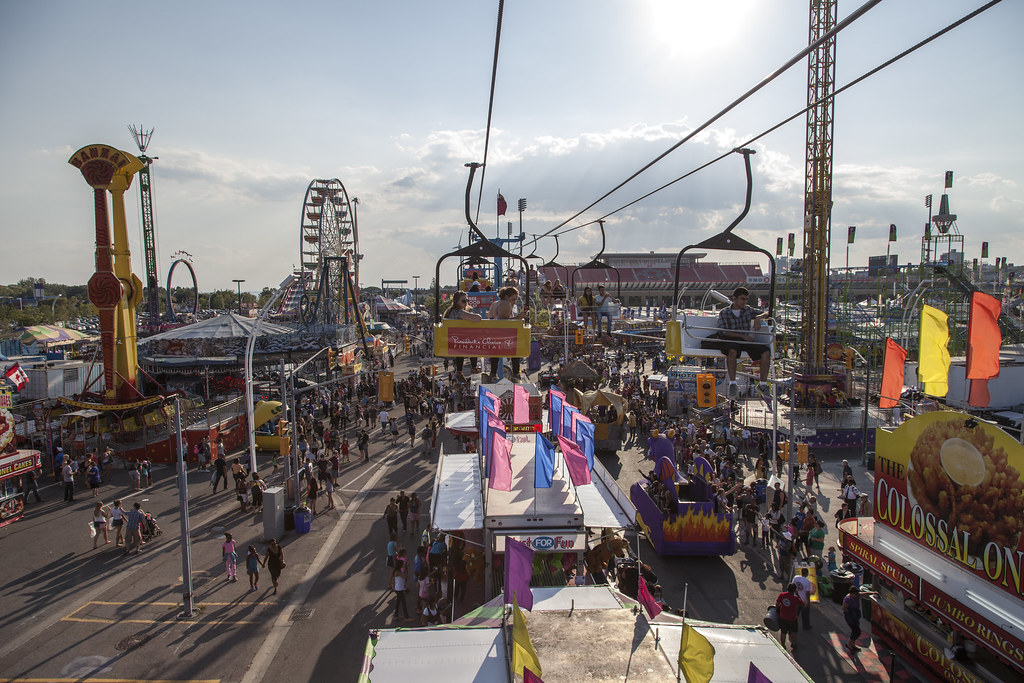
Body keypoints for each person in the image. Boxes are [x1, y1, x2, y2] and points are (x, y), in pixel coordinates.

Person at [706, 287, 771, 399]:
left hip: (744, 340)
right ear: (734, 299)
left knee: (766, 352)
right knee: (732, 351)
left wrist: (758, 317)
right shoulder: (725, 312)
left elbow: (768, 313)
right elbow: (724, 332)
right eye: (742, 299)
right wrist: (743, 336)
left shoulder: (748, 310)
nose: (744, 302)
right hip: (730, 340)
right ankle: (732, 383)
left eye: (746, 299)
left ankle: (763, 384)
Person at [487, 286, 529, 379]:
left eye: (516, 299)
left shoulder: (495, 303)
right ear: (506, 297)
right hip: (503, 333)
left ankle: (493, 373)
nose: (514, 302)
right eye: (513, 299)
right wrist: (519, 317)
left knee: (496, 354)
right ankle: (515, 373)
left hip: (493, 333)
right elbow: (504, 322)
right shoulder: (506, 304)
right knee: (516, 350)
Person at [442, 292, 482, 376]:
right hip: (458, 338)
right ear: (456, 302)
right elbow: (477, 318)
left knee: (463, 349)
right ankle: (473, 367)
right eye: (464, 301)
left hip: (454, 339)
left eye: (467, 300)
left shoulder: (451, 311)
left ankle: (459, 371)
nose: (466, 303)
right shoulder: (458, 312)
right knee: (473, 343)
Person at [842, 585, 877, 651]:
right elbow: (844, 608)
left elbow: (864, 594)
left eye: (857, 593)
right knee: (856, 631)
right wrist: (851, 614)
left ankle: (852, 644)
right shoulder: (848, 599)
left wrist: (873, 592)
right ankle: (849, 644)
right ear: (851, 593)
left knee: (855, 630)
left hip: (855, 615)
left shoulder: (857, 595)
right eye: (855, 594)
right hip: (850, 617)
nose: (856, 595)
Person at [775, 583, 803, 651]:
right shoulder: (795, 598)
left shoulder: (782, 595)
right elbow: (801, 603)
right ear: (794, 590)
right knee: (794, 631)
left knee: (783, 632)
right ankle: (793, 643)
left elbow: (777, 604)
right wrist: (798, 595)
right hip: (792, 618)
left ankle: (783, 645)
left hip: (783, 617)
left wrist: (777, 610)